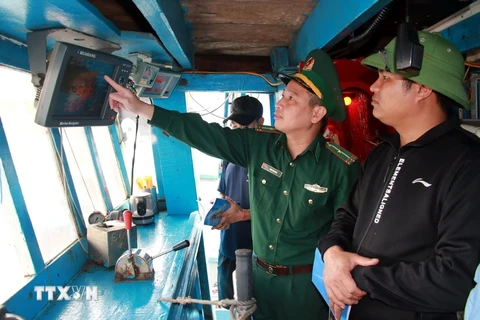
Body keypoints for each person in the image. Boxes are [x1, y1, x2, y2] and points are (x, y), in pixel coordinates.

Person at [104, 48, 359, 320]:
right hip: (259, 282)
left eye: (291, 98)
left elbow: (348, 233)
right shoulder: (258, 144)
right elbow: (203, 134)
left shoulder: (341, 167)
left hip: (306, 290)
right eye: (283, 96)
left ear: (317, 113)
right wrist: (142, 108)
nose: (281, 103)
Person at [318, 31, 480, 320]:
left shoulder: (467, 163)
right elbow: (348, 216)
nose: (374, 87)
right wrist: (332, 253)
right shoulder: (383, 153)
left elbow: (454, 278)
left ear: (423, 89)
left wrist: (355, 277)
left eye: (386, 78)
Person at [214, 96, 264, 302]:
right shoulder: (228, 154)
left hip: (258, 240)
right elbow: (222, 192)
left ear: (259, 123)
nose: (239, 131)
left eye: (245, 125)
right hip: (230, 235)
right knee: (226, 291)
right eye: (235, 125)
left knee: (255, 294)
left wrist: (243, 215)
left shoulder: (269, 156)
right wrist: (218, 214)